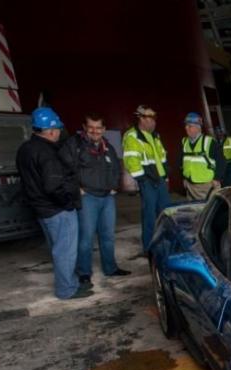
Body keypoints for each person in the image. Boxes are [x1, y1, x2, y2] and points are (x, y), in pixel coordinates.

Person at [16, 107, 90, 300]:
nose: (59, 132)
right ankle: (67, 290)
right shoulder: (47, 152)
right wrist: (68, 203)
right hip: (57, 210)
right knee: (65, 252)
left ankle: (70, 283)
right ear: (50, 130)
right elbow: (53, 186)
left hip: (41, 209)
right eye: (57, 129)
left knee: (59, 250)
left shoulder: (25, 149)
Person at [59, 112, 130, 285]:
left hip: (107, 198)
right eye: (91, 127)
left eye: (98, 128)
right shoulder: (74, 144)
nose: (95, 131)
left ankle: (110, 268)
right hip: (87, 197)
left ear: (104, 129)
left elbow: (115, 168)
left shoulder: (108, 147)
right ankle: (84, 272)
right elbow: (63, 169)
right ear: (84, 127)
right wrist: (77, 188)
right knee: (86, 237)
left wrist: (114, 186)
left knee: (108, 236)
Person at [123, 105, 171, 255]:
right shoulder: (132, 136)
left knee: (165, 214)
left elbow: (161, 157)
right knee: (149, 216)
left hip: (160, 180)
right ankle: (149, 248)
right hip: (148, 182)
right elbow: (131, 160)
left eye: (154, 119)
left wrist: (165, 176)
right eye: (150, 119)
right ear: (141, 119)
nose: (153, 122)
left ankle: (166, 243)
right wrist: (143, 180)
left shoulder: (155, 135)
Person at [179, 112, 224, 201]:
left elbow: (222, 161)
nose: (186, 128)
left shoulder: (209, 142)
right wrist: (184, 178)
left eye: (190, 126)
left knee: (209, 211)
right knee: (194, 211)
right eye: (186, 126)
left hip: (207, 186)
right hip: (190, 186)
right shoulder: (184, 142)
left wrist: (217, 178)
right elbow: (181, 162)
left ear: (198, 127)